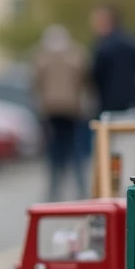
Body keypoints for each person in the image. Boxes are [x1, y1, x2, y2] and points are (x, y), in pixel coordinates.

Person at [31, 24, 89, 201]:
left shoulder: (41, 56)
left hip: (51, 108)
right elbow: (84, 79)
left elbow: (35, 82)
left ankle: (54, 191)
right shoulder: (77, 54)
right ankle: (80, 189)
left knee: (54, 152)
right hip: (71, 108)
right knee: (74, 150)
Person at [90, 3, 135, 115]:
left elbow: (96, 75)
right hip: (131, 101)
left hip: (109, 104)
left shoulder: (103, 46)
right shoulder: (132, 42)